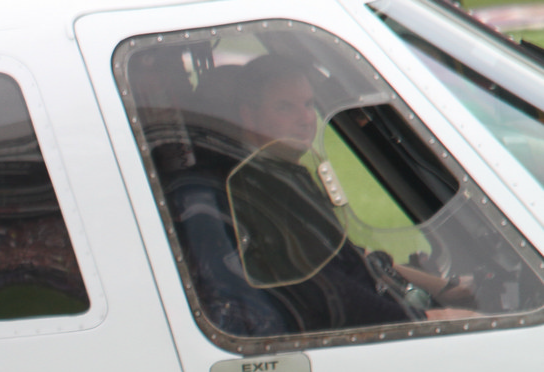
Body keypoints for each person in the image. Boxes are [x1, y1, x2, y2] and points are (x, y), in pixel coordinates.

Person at [168, 54, 476, 337]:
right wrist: (423, 318)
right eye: (285, 107)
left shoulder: (281, 174)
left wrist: (445, 287)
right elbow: (328, 289)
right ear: (248, 116)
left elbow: (350, 256)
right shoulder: (248, 189)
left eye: (308, 104)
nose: (305, 118)